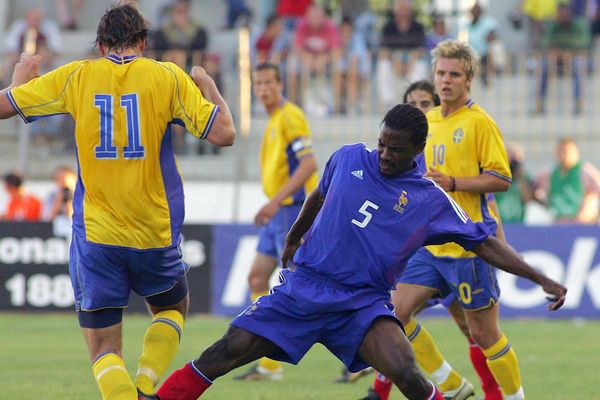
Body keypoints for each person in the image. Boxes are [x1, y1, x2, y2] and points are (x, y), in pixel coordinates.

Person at [155, 104, 566, 400]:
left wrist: (540, 277)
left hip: (361, 305)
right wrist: (294, 236)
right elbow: (317, 195)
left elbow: (484, 241)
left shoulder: (430, 199)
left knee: (407, 372)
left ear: (418, 149)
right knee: (225, 352)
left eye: (396, 149)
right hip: (304, 289)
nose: (385, 154)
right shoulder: (350, 156)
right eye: (382, 144)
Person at [0, 3, 235, 400]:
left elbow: (4, 106)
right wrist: (210, 88)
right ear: (143, 42)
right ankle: (145, 384)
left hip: (96, 235)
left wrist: (16, 82)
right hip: (153, 230)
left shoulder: (77, 75)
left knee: (104, 349)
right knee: (173, 308)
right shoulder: (166, 76)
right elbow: (225, 134)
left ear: (100, 44)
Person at [370, 39, 532, 400]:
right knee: (394, 312)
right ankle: (449, 384)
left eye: (454, 74)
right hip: (430, 244)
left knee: (484, 335)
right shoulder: (426, 123)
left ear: (468, 79)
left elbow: (501, 178)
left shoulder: (479, 123)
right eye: (441, 73)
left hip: (469, 245)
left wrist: (454, 183)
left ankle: (515, 397)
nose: (445, 80)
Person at [362, 80, 502, 400]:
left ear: (436, 107)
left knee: (473, 330)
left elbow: (485, 203)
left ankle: (489, 391)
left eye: (425, 104)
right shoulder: (399, 157)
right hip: (423, 252)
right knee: (395, 313)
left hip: (458, 251)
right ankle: (443, 385)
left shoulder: (444, 149)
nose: (419, 110)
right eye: (412, 104)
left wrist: (499, 247)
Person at [233, 62, 319, 381]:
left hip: (291, 211)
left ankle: (355, 342)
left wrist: (273, 201)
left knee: (293, 287)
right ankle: (270, 363)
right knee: (257, 279)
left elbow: (309, 164)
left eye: (268, 82)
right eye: (258, 83)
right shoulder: (272, 120)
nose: (263, 88)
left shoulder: (290, 116)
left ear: (280, 84)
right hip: (277, 212)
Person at [533, 137, 600, 224]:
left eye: (567, 151)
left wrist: (593, 214)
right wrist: (546, 205)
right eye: (561, 151)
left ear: (576, 152)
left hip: (582, 224)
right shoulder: (549, 174)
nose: (564, 154)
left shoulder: (587, 172)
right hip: (559, 224)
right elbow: (533, 192)